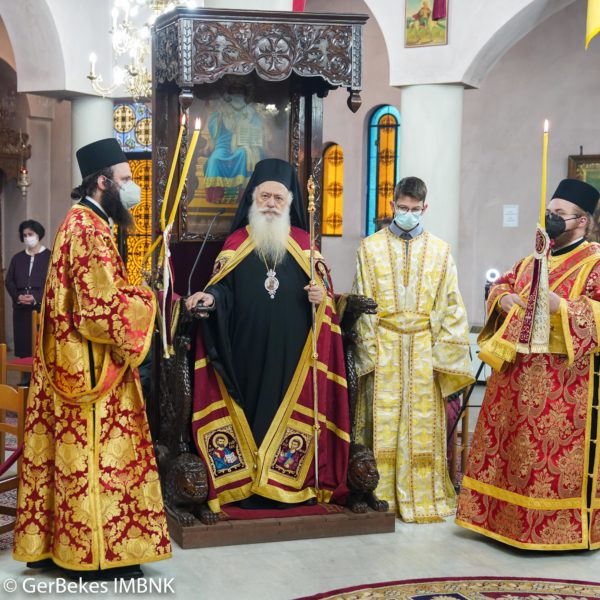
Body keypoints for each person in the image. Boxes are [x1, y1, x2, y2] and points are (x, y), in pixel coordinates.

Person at [12, 138, 171, 578]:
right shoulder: (89, 228)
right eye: (126, 179)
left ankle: (60, 546)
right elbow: (99, 311)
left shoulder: (81, 221)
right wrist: (146, 299)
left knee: (70, 458)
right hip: (92, 370)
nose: (133, 188)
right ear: (102, 182)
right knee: (99, 457)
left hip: (72, 363)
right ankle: (96, 557)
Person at [186, 158, 350, 511]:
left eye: (278, 198)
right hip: (244, 350)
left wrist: (321, 298)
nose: (271, 204)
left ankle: (286, 483)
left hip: (293, 355)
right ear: (253, 199)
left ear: (289, 202)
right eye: (265, 197)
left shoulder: (305, 245)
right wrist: (211, 298)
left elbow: (327, 304)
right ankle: (246, 484)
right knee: (249, 411)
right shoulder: (236, 242)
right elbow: (223, 289)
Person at [456, 178, 600, 551]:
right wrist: (501, 299)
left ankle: (548, 529)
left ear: (582, 221)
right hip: (513, 379)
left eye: (560, 214)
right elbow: (503, 285)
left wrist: (562, 306)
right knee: (511, 454)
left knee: (539, 463)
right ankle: (496, 520)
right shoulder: (532, 260)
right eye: (549, 212)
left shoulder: (594, 262)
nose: (551, 218)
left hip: (562, 387)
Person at [352, 176, 474, 522]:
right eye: (403, 208)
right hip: (385, 345)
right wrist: (367, 352)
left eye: (415, 209)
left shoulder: (440, 251)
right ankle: (378, 491)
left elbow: (452, 306)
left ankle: (423, 493)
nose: (408, 214)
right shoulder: (369, 248)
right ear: (392, 205)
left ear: (425, 208)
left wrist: (445, 358)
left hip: (423, 348)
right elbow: (362, 300)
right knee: (383, 420)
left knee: (421, 424)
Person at [5, 220, 51, 361]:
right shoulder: (17, 258)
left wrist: (36, 297)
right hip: (21, 310)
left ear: (38, 235)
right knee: (24, 348)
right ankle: (25, 374)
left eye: (30, 234)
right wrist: (17, 296)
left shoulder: (50, 256)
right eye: (24, 235)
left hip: (40, 309)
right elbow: (9, 281)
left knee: (41, 348)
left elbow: (52, 283)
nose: (27, 238)